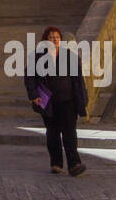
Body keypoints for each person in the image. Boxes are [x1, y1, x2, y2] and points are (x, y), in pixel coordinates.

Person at [24, 25, 87, 176]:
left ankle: (74, 164)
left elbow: (78, 80)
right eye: (51, 37)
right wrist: (33, 95)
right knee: (52, 133)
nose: (55, 40)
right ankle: (56, 163)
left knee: (70, 133)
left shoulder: (69, 56)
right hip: (49, 102)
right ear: (46, 40)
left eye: (57, 37)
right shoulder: (37, 57)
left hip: (68, 101)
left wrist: (83, 99)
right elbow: (29, 77)